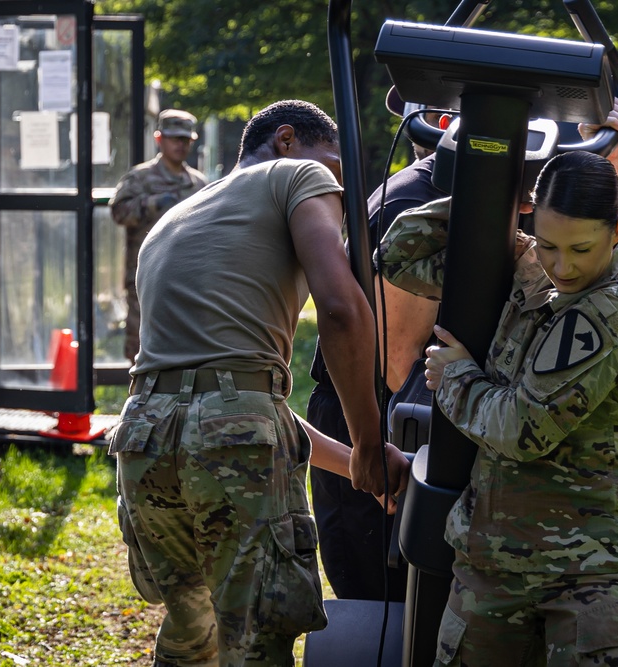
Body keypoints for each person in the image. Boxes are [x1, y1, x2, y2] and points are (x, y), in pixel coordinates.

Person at [110, 99, 406, 667]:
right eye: (336, 171)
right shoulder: (299, 173)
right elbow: (342, 312)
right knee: (256, 641)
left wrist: (355, 466)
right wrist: (370, 443)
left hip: (143, 436)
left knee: (194, 627)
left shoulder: (177, 218)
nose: (336, 197)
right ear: (288, 140)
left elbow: (233, 403)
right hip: (227, 438)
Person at [379, 150, 618, 665]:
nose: (563, 266)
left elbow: (522, 428)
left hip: (592, 574)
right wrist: (490, 200)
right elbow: (398, 256)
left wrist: (456, 378)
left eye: (581, 248)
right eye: (550, 243)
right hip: (494, 565)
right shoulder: (531, 266)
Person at [306, 89, 446, 602]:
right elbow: (397, 358)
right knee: (380, 603)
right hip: (381, 419)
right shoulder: (416, 201)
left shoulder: (458, 193)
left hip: (402, 415)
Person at [109, 109, 208, 362]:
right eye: (175, 138)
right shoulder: (140, 178)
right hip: (145, 274)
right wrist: (153, 203)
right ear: (159, 139)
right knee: (141, 343)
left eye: (185, 140)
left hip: (187, 277)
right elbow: (119, 212)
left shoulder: (199, 184)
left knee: (185, 343)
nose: (180, 145)